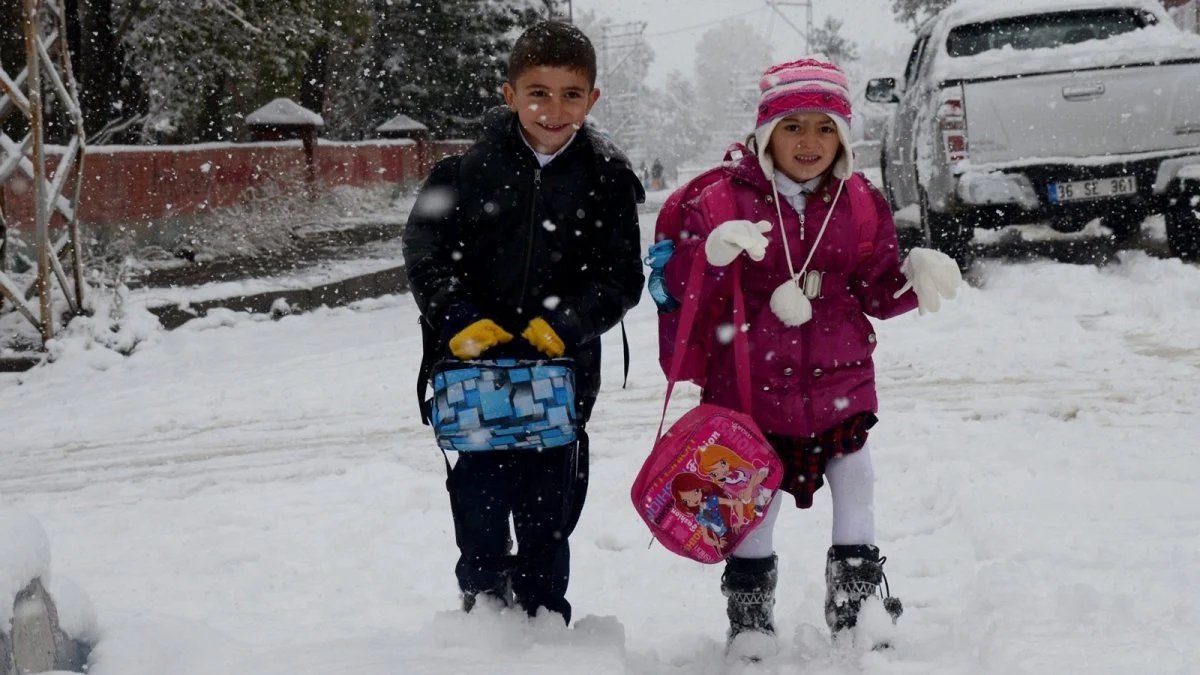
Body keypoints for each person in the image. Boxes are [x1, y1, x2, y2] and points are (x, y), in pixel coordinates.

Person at [657, 56, 961, 658]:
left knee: (855, 477)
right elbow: (684, 293)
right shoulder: (720, 200)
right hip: (749, 384)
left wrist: (911, 279)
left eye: (826, 128)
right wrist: (709, 257)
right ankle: (750, 614)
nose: (810, 142)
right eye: (792, 126)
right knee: (754, 495)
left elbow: (875, 290)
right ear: (766, 132)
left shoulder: (860, 201)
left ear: (843, 137)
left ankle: (857, 601)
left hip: (839, 380)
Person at [401, 20, 645, 624]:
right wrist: (456, 317)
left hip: (562, 376)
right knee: (478, 498)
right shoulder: (461, 174)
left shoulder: (608, 181)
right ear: (510, 95)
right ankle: (484, 602)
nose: (553, 110)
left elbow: (621, 278)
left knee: (550, 510)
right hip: (472, 374)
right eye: (538, 92)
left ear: (592, 98)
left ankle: (544, 614)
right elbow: (424, 252)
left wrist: (566, 324)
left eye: (570, 94)